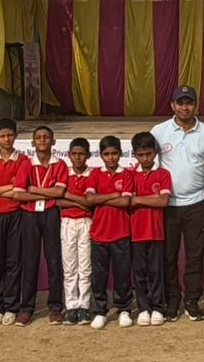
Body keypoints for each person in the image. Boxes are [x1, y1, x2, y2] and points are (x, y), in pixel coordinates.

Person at [150, 86, 204, 323]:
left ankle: (191, 300)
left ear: (195, 105)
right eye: (180, 103)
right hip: (167, 204)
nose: (184, 107)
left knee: (194, 255)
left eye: (189, 102)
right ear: (172, 105)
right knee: (168, 255)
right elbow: (149, 163)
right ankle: (172, 300)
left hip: (196, 203)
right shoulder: (159, 131)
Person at [0, 118, 31, 326]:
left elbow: (19, 191)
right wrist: (7, 188)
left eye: (10, 135)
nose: (7, 139)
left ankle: (11, 306)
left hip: (16, 215)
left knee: (13, 261)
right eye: (2, 136)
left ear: (16, 136)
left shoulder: (24, 160)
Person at [19, 125, 68, 326]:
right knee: (29, 260)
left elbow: (59, 193)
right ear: (33, 142)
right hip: (30, 214)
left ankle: (55, 307)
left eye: (46, 137)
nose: (42, 140)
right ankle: (27, 308)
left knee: (54, 260)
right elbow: (19, 194)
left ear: (53, 141)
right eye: (38, 137)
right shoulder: (26, 164)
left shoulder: (60, 164)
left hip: (51, 213)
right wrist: (46, 191)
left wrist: (32, 189)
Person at [88, 135, 135, 330]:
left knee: (122, 274)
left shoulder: (127, 175)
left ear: (120, 154)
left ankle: (124, 309)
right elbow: (90, 199)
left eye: (114, 153)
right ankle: (100, 311)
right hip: (99, 233)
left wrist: (102, 198)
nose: (111, 157)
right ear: (101, 155)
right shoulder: (95, 174)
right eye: (107, 154)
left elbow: (125, 201)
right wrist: (113, 195)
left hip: (121, 232)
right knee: (99, 275)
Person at [129, 132, 173, 327]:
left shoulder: (163, 174)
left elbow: (163, 201)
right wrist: (151, 199)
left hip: (156, 232)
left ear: (155, 153)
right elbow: (127, 201)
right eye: (141, 155)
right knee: (139, 273)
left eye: (148, 154)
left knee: (156, 272)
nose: (145, 159)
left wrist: (138, 199)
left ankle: (157, 308)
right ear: (134, 155)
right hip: (135, 231)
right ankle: (143, 308)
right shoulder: (130, 175)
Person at [59, 137, 97, 326]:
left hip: (86, 222)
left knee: (85, 266)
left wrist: (71, 198)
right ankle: (71, 306)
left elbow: (92, 202)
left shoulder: (93, 174)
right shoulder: (64, 173)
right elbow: (58, 200)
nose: (77, 157)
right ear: (69, 155)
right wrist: (80, 202)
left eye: (81, 154)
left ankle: (84, 305)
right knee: (69, 267)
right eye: (74, 154)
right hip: (67, 222)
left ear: (88, 155)